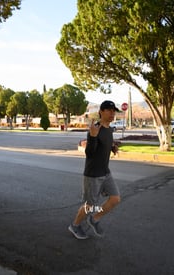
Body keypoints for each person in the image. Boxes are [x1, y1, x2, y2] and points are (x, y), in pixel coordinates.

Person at [68, 100, 121, 239]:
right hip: (93, 174)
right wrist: (92, 137)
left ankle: (94, 219)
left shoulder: (109, 129)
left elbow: (105, 143)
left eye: (113, 111)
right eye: (109, 110)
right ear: (101, 112)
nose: (112, 113)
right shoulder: (95, 129)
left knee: (115, 199)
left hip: (105, 171)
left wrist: (112, 147)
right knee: (90, 205)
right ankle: (75, 225)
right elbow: (90, 154)